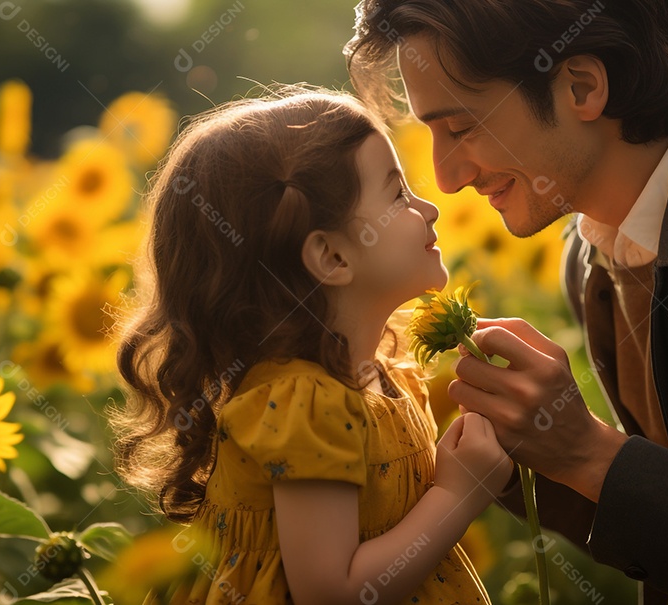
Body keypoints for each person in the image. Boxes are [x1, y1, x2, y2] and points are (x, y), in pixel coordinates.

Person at [346, 0, 668, 603]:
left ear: (581, 86)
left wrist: (587, 452)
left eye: (462, 128)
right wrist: (523, 450)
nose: (446, 179)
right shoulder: (589, 255)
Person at [110, 89, 513, 605]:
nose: (430, 208)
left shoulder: (379, 373)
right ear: (330, 256)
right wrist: (461, 495)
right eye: (397, 196)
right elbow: (333, 592)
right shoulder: (307, 402)